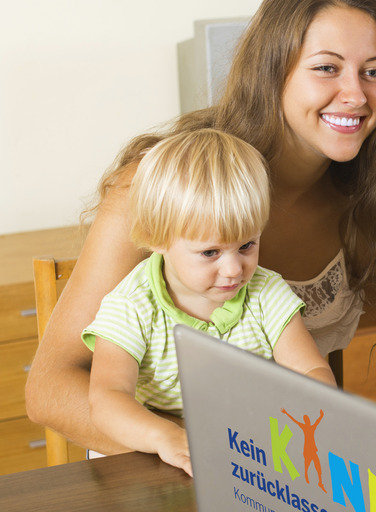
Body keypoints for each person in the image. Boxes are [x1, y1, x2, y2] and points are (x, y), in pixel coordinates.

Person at [24, 0, 376, 455]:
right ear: (271, 73)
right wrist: (206, 450)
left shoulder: (373, 198)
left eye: (374, 71)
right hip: (161, 464)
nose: (357, 95)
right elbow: (48, 390)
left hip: (279, 461)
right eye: (327, 68)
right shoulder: (162, 187)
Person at [86, 130, 337, 475]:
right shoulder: (130, 306)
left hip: (247, 453)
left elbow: (310, 370)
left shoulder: (266, 292)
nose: (235, 269)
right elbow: (107, 398)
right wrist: (166, 438)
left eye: (247, 245)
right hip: (154, 455)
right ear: (154, 238)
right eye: (210, 252)